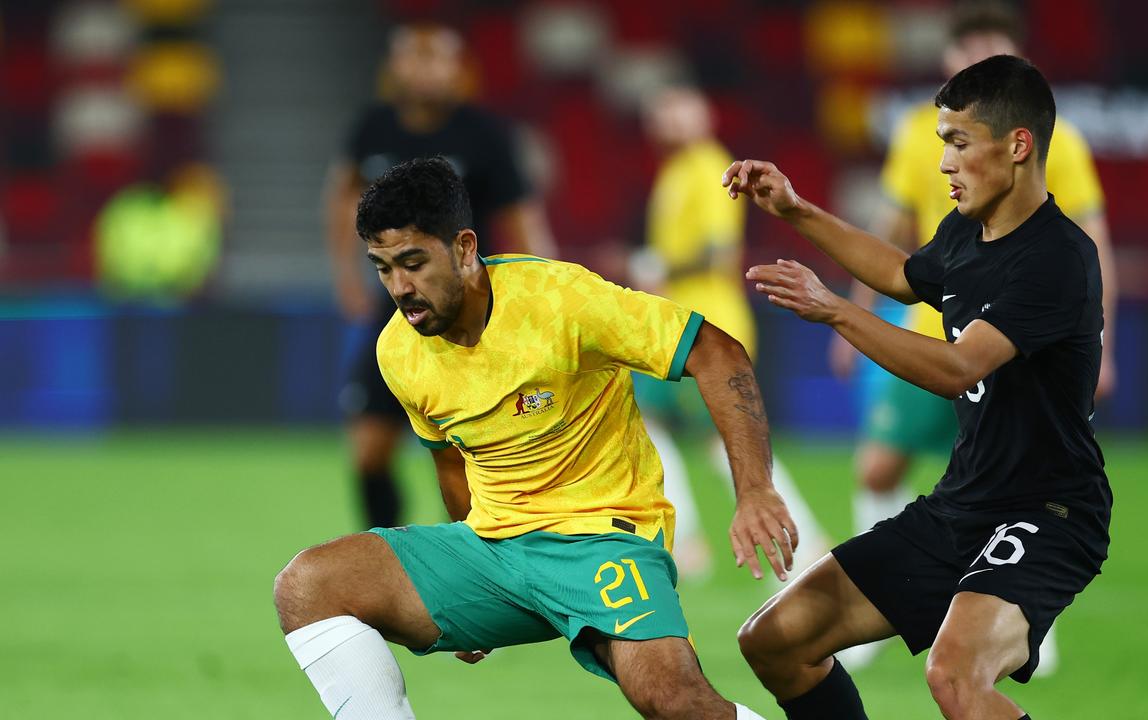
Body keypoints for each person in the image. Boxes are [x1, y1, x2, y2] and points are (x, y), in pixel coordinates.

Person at [276, 157, 793, 719]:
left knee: (674, 702)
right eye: (382, 268)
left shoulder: (561, 300)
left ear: (466, 248)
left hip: (602, 537)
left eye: (414, 262)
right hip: (496, 550)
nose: (400, 288)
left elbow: (717, 353)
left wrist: (755, 490)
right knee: (307, 586)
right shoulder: (397, 350)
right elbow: (451, 461)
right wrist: (464, 579)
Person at [730, 55, 1112, 720]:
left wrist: (837, 311)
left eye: (959, 143)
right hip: (965, 504)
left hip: (1047, 512)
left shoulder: (1058, 258)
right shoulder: (968, 232)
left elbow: (958, 368)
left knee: (955, 677)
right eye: (943, 144)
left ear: (1017, 145)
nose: (944, 164)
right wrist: (796, 210)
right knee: (775, 641)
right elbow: (905, 275)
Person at [830, 1, 1116, 671]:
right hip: (930, 325)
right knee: (882, 467)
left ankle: (1022, 621)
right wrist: (853, 311)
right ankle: (890, 606)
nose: (948, 159)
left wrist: (1107, 339)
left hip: (1020, 343)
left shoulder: (1058, 142)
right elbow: (898, 240)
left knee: (1021, 480)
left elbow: (1091, 240)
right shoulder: (914, 134)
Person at [327, 23, 555, 529]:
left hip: (470, 312)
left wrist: (544, 289)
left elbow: (522, 217)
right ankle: (384, 547)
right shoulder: (373, 127)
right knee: (368, 450)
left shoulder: (484, 134)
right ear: (396, 66)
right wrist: (345, 276)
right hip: (395, 311)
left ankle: (479, 553)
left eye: (438, 59)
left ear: (457, 70)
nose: (426, 69)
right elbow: (342, 195)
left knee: (470, 451)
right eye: (415, 57)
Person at [631, 86, 831, 582]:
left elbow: (719, 252)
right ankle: (686, 541)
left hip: (706, 329)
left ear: (705, 116)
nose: (668, 119)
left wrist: (660, 267)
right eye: (663, 111)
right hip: (676, 328)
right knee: (657, 426)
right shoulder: (675, 172)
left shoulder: (708, 168)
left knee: (724, 438)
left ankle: (795, 534)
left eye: (679, 110)